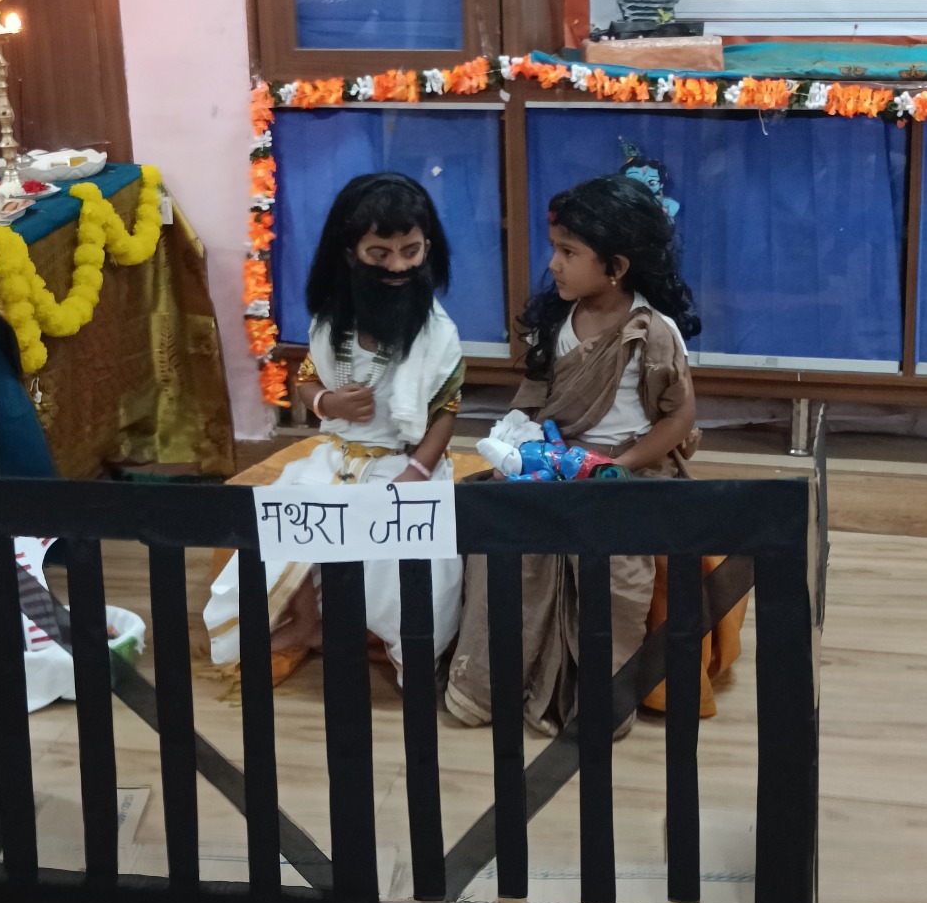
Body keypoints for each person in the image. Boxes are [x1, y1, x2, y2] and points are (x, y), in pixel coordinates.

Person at [445, 173, 701, 737]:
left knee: (612, 572)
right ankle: (491, 689)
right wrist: (528, 448)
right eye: (555, 249)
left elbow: (678, 420)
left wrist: (614, 467)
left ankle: (596, 703)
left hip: (628, 470)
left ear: (617, 266)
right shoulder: (558, 322)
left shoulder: (652, 333)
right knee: (503, 547)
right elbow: (534, 404)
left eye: (568, 252)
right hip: (551, 464)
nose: (553, 264)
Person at [205, 172, 465, 681]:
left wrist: (416, 472)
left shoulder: (439, 333)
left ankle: (400, 647)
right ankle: (307, 622)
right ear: (350, 254)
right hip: (339, 456)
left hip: (408, 464)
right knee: (283, 522)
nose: (398, 266)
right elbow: (306, 381)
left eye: (411, 251)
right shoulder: (331, 322)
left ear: (427, 248)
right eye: (380, 254)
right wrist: (329, 401)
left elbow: (447, 410)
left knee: (410, 567)